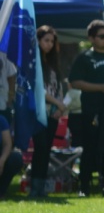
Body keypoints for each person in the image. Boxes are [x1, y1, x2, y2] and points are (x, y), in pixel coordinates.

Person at [70, 20, 104, 195]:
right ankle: (84, 186)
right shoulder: (85, 58)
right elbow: (74, 82)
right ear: (91, 38)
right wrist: (101, 87)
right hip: (92, 110)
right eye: (102, 36)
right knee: (91, 148)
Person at [25, 25, 69, 199]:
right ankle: (34, 188)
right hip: (38, 111)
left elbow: (58, 87)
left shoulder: (53, 63)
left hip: (53, 113)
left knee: (46, 150)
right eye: (46, 40)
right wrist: (58, 103)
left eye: (52, 41)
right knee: (40, 147)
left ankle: (41, 188)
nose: (49, 44)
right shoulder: (34, 61)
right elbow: (38, 89)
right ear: (38, 40)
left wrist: (59, 108)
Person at [0, 116, 23, 199]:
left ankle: (1, 190)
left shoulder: (1, 120)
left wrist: (2, 161)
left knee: (15, 158)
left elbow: (7, 144)